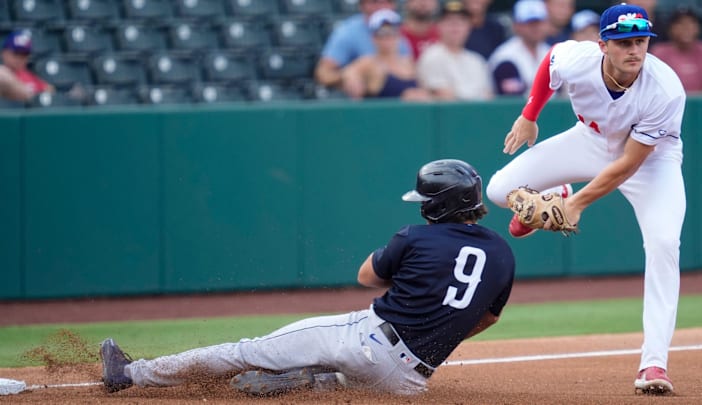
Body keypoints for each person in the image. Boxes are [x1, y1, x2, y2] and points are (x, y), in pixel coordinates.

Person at [100, 158, 516, 397]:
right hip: (407, 383)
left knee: (249, 350)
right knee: (345, 377)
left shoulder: (416, 238)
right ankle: (309, 382)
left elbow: (366, 277)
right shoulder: (502, 252)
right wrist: (438, 321)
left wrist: (418, 283)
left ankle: (132, 375)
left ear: (436, 206)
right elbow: (488, 319)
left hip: (367, 341)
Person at [485, 3, 685, 396]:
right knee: (497, 191)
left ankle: (653, 363)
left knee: (664, 244)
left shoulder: (665, 89)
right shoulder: (579, 58)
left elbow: (627, 164)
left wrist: (577, 205)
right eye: (624, 42)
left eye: (641, 41)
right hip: (588, 141)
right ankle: (553, 194)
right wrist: (530, 113)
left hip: (651, 163)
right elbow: (550, 61)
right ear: (603, 45)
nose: (635, 50)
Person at [314, 0, 411, 89]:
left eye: (386, 1)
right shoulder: (347, 32)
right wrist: (349, 76)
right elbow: (323, 73)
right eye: (374, 2)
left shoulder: (400, 33)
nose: (380, 6)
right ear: (362, 5)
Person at [341, 9, 433, 101]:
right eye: (382, 33)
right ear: (373, 38)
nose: (388, 37)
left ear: (399, 35)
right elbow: (348, 73)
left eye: (392, 32)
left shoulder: (408, 62)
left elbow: (423, 88)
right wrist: (353, 80)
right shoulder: (370, 62)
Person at [417, 0, 494, 101]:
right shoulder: (432, 56)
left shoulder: (477, 60)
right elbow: (442, 95)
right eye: (449, 21)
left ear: (469, 27)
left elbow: (489, 95)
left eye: (461, 21)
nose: (455, 26)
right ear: (439, 26)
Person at [487, 0, 550, 96]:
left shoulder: (552, 52)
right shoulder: (505, 56)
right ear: (516, 25)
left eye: (539, 22)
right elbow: (510, 99)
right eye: (529, 23)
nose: (535, 28)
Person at [650, 7, 702, 93]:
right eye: (680, 23)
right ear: (671, 28)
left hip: (699, 105)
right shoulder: (659, 51)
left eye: (691, 23)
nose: (686, 27)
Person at [0, 30, 53, 102]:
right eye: (16, 53)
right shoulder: (2, 73)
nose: (19, 59)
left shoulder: (30, 76)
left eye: (24, 55)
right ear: (4, 53)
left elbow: (50, 91)